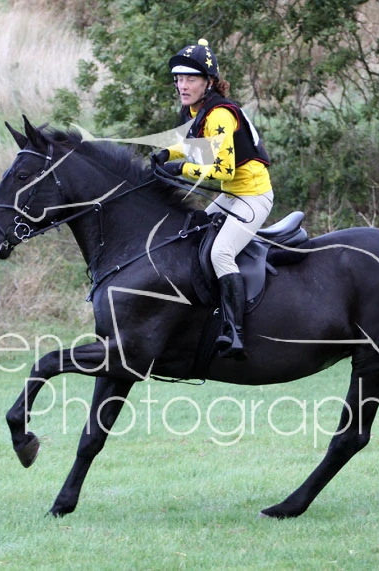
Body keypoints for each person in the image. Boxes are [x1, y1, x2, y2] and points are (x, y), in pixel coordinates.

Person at [152, 38, 274, 359]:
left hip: (252, 196)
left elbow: (223, 170)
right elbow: (192, 144)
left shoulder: (219, 114)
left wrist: (181, 168)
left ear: (208, 82)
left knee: (221, 253)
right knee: (193, 235)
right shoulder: (195, 110)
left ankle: (235, 332)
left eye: (190, 79)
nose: (182, 85)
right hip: (231, 195)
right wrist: (168, 153)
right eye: (179, 79)